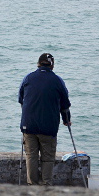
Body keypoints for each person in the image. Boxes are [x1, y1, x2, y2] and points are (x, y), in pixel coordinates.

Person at [18, 53, 71, 185]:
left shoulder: (28, 78)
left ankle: (32, 186)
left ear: (38, 64)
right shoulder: (58, 80)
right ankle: (46, 186)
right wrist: (66, 120)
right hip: (48, 127)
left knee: (31, 156)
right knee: (47, 158)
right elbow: (65, 104)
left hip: (28, 125)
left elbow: (21, 99)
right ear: (52, 65)